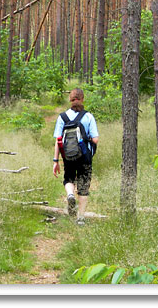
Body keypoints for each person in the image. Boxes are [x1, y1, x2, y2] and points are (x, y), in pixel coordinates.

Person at [53, 88, 99, 225]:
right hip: (85, 156)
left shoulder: (62, 117)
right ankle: (81, 218)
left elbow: (58, 140)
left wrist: (55, 161)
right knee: (84, 187)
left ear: (70, 100)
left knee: (68, 178)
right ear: (82, 99)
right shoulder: (88, 117)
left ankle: (70, 195)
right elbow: (95, 139)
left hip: (68, 156)